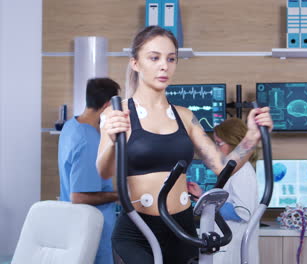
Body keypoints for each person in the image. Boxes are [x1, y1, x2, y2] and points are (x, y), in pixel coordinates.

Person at [96, 25, 272, 264]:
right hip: (138, 229)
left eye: (171, 59)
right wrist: (111, 136)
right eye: (154, 57)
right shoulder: (117, 113)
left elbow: (222, 166)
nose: (164, 66)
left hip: (181, 227)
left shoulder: (185, 116)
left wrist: (252, 136)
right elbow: (104, 172)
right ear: (135, 63)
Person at [58, 77, 120, 264]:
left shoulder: (71, 126)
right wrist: (120, 195)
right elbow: (79, 197)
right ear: (108, 105)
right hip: (94, 229)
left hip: (75, 224)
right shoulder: (88, 141)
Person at [187, 118, 260, 264]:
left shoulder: (242, 171)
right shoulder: (231, 171)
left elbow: (242, 212)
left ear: (234, 143)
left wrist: (209, 204)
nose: (216, 148)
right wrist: (202, 197)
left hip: (233, 246)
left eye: (219, 143)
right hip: (225, 242)